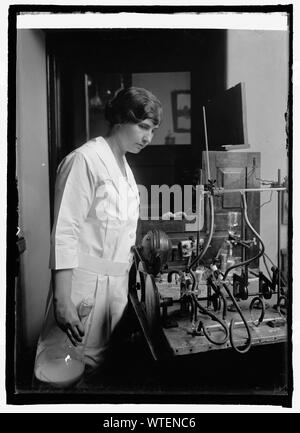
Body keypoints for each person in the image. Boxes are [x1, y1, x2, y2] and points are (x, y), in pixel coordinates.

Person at [34, 86, 162, 384]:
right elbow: (65, 231)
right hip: (82, 288)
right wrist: (63, 300)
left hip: (114, 288)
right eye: (143, 127)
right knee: (63, 371)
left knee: (96, 369)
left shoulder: (124, 168)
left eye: (153, 130)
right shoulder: (85, 160)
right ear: (120, 119)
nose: (148, 137)